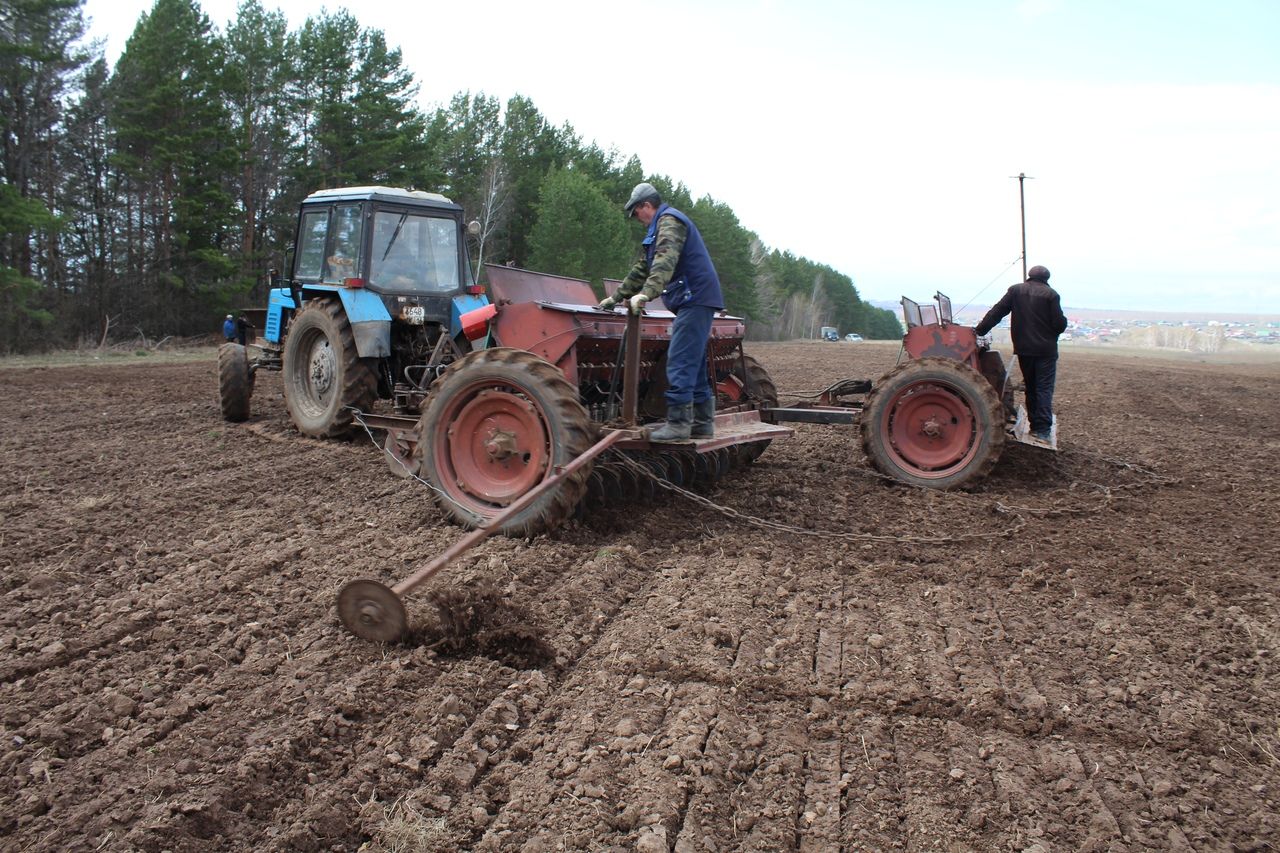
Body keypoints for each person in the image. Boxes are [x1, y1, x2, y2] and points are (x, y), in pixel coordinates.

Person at [599, 183, 725, 441]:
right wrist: (616, 296)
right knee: (694, 362)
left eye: (636, 213)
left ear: (647, 205)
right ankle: (702, 424)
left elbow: (664, 261)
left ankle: (678, 425)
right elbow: (643, 268)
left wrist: (647, 294)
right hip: (696, 299)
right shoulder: (659, 227)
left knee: (678, 359)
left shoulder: (668, 222)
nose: (637, 219)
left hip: (695, 298)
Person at [974, 265, 1068, 444]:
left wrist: (979, 331)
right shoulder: (1051, 295)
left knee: (1031, 386)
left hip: (1024, 349)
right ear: (1046, 278)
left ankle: (1036, 425)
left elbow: (997, 312)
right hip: (1046, 351)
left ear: (1029, 276)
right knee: (1044, 388)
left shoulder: (1016, 290)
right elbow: (1059, 325)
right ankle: (1041, 430)